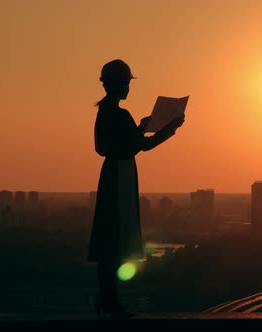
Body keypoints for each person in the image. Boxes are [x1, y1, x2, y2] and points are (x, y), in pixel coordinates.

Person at [87, 59, 185, 318]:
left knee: (111, 241)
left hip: (114, 173)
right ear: (120, 84)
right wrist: (169, 129)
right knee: (116, 240)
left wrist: (140, 127)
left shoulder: (107, 111)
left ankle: (106, 297)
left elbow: (121, 142)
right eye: (127, 83)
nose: (129, 88)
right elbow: (138, 146)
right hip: (120, 174)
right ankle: (109, 300)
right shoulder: (118, 114)